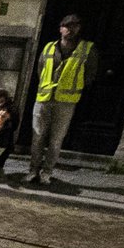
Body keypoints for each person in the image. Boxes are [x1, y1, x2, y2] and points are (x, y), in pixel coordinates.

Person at [29, 13, 95, 186]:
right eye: (68, 25)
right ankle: (33, 171)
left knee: (56, 140)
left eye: (75, 25)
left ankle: (47, 173)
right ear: (61, 28)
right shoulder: (49, 47)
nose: (71, 29)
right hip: (43, 98)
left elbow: (89, 76)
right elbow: (40, 70)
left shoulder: (87, 49)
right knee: (37, 137)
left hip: (66, 101)